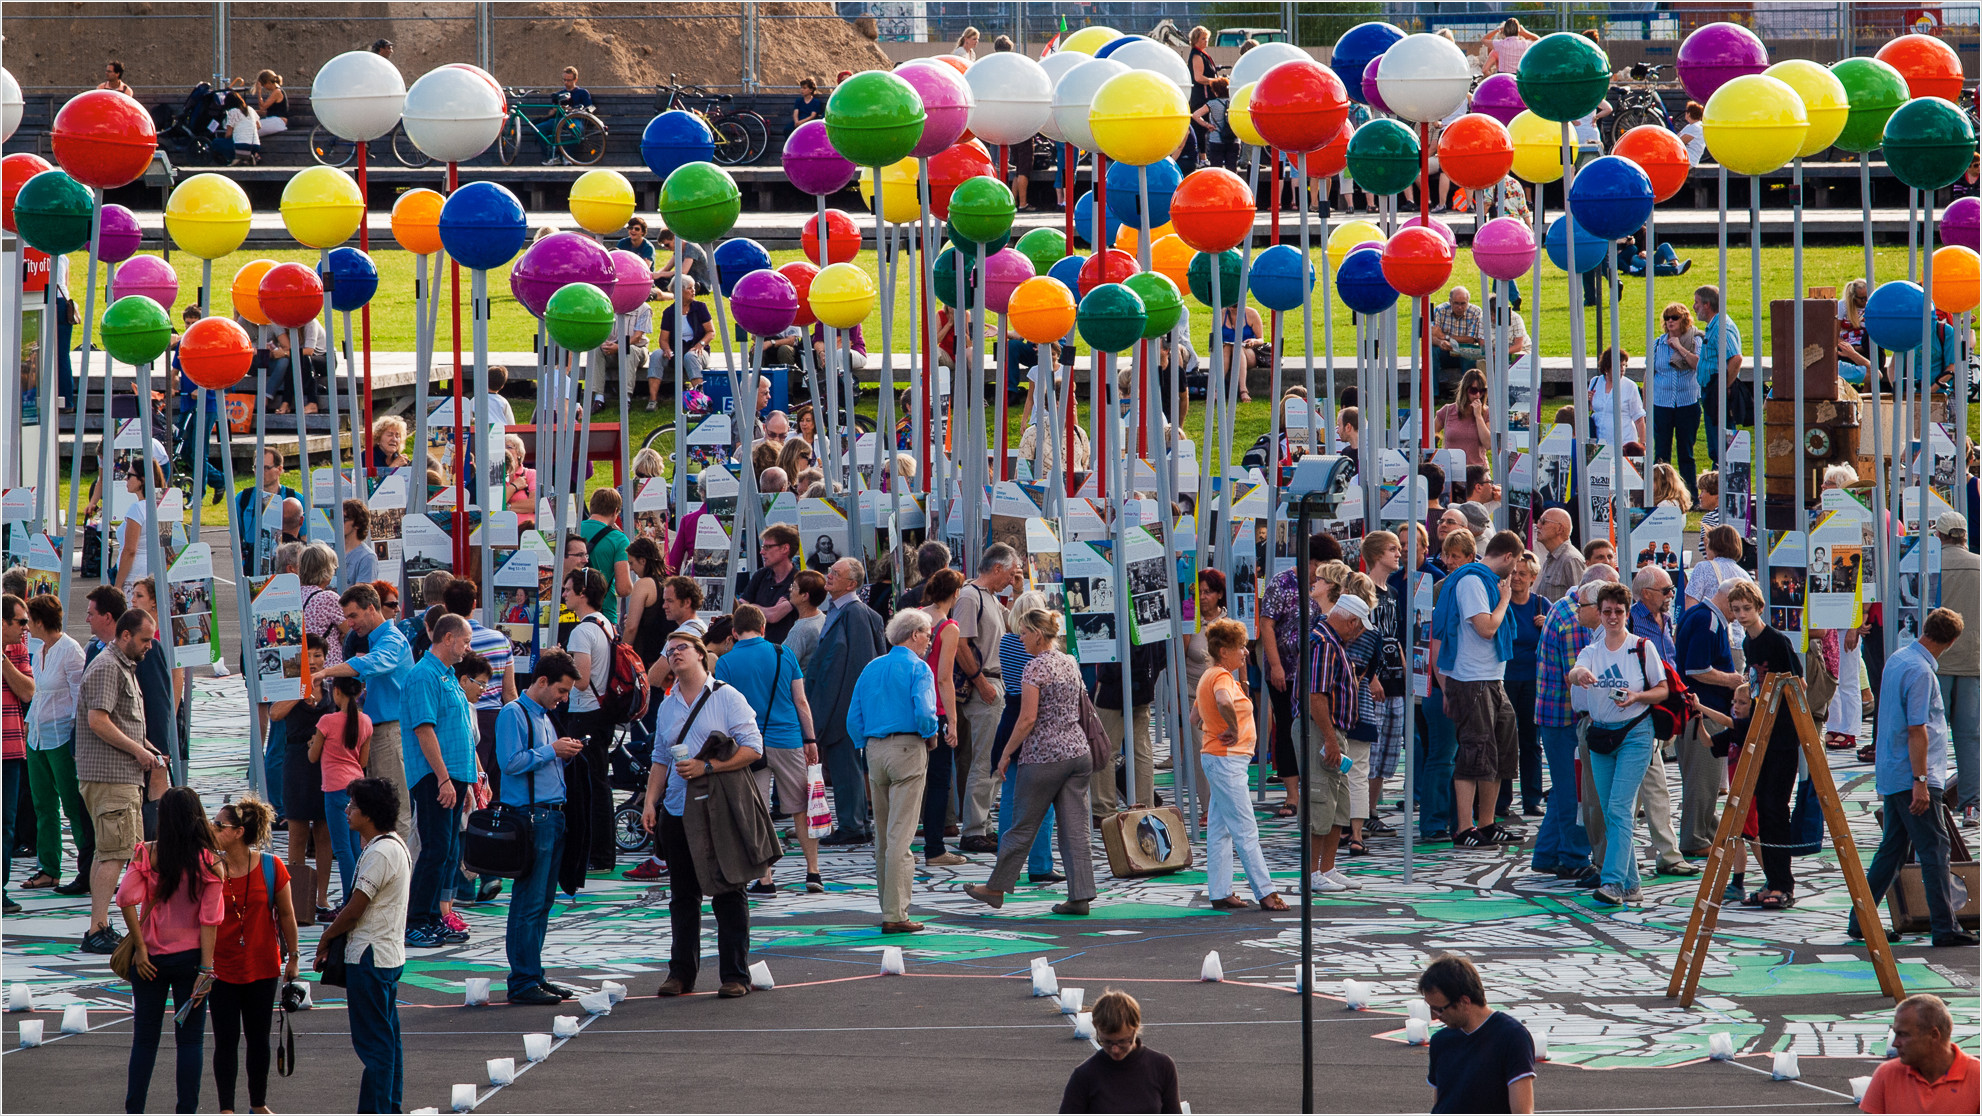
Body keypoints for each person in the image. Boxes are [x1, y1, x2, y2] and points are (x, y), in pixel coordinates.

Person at [644, 631, 773, 997]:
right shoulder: (668, 704)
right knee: (682, 895)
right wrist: (650, 801)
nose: (674, 655)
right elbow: (660, 758)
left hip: (716, 809)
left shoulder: (726, 697)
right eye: (669, 651)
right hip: (677, 809)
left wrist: (709, 768)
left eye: (681, 648)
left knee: (728, 890)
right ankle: (681, 974)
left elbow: (754, 748)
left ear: (702, 654)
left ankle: (735, 975)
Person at [1854, 608, 1977, 947]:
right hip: (1913, 775)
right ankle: (1944, 925)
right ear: (1951, 642)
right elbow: (1917, 729)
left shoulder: (1899, 659)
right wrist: (1920, 780)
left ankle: (1859, 920)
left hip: (1894, 771)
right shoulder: (1922, 672)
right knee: (1935, 847)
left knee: (1893, 849)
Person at [965, 608, 1097, 915]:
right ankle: (1080, 896)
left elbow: (1026, 719)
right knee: (1075, 829)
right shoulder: (1070, 661)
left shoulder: (1034, 668)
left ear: (1038, 635)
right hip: (1078, 753)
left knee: (1021, 826)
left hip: (1043, 756)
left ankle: (996, 888)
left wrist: (1006, 753)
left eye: (1023, 632)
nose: (1019, 638)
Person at [116, 785, 222, 1114]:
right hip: (191, 960)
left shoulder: (146, 853)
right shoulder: (209, 860)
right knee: (190, 1040)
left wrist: (142, 948)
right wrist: (206, 970)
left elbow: (125, 900)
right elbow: (210, 919)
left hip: (150, 958)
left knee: (144, 1039)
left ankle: (135, 1108)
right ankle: (186, 1109)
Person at [1566, 580, 1669, 906]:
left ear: (1627, 614)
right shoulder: (1592, 650)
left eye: (1618, 612)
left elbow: (1663, 689)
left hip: (1636, 733)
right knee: (1611, 812)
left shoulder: (1641, 647)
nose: (1612, 617)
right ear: (1599, 613)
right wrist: (1579, 675)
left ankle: (1611, 883)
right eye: (1607, 611)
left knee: (1620, 808)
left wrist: (1638, 696)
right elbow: (1575, 670)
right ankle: (1631, 884)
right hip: (1601, 736)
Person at [495, 651, 587, 1004]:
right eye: (561, 691)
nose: (563, 699)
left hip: (551, 815)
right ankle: (522, 980)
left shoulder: (544, 716)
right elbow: (510, 762)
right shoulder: (513, 713)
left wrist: (560, 751)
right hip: (532, 818)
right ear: (543, 681)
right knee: (529, 902)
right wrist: (552, 751)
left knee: (543, 901)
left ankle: (532, 974)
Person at [313, 778, 409, 1113]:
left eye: (353, 805)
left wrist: (326, 938)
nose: (347, 810)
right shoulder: (393, 845)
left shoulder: (380, 852)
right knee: (388, 1041)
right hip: (387, 955)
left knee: (375, 1046)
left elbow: (355, 908)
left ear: (368, 814)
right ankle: (389, 1107)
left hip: (370, 957)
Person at [715, 603, 822, 894]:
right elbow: (801, 701)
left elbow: (725, 709)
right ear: (763, 628)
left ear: (734, 633)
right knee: (801, 808)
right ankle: (813, 872)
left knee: (757, 811)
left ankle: (765, 878)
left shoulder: (725, 662)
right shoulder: (783, 653)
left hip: (750, 747)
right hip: (788, 739)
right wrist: (810, 740)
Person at [77, 609, 167, 954]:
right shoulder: (107, 666)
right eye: (145, 639)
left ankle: (99, 926)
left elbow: (120, 720)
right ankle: (97, 928)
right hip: (111, 776)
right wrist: (138, 751)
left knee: (110, 852)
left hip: (119, 774)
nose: (149, 646)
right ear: (125, 635)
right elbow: (98, 720)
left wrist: (147, 747)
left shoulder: (121, 665)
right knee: (115, 854)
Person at [846, 609, 939, 931]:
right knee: (902, 835)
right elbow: (926, 711)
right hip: (907, 746)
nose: (929, 639)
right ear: (914, 634)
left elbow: (853, 718)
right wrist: (931, 735)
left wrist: (866, 743)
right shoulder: (919, 667)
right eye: (927, 633)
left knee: (884, 834)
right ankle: (896, 913)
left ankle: (887, 906)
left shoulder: (872, 667)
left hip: (874, 748)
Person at [1431, 530, 1523, 848]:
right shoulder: (1472, 580)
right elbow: (1485, 628)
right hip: (1471, 680)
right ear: (1508, 557)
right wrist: (1506, 600)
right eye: (1515, 568)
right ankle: (1464, 826)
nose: (1514, 575)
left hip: (1493, 677)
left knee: (1499, 753)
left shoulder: (1485, 580)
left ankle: (1486, 822)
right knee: (1473, 752)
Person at [208, 796, 299, 1116]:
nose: (213, 827)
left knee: (258, 1038)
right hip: (221, 967)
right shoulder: (210, 867)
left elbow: (287, 915)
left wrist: (294, 958)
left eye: (220, 824)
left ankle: (258, 1104)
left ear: (239, 832)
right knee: (226, 1040)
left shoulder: (272, 866)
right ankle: (226, 1109)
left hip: (263, 965)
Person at [1193, 617, 1285, 910]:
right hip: (1227, 759)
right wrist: (1232, 727)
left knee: (1220, 829)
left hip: (1219, 758)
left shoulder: (1210, 676)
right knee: (1246, 828)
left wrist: (1216, 725)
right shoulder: (1220, 678)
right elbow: (1222, 702)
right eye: (1241, 647)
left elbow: (1195, 717)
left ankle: (1220, 891)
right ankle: (1266, 891)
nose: (1245, 652)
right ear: (1224, 651)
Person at [1723, 579, 1804, 910]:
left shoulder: (1775, 640)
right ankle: (1772, 879)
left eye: (1746, 608)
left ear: (1759, 608)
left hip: (1783, 735)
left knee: (1775, 808)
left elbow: (1799, 682)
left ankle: (1784, 883)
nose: (1741, 615)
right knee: (1763, 809)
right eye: (1736, 609)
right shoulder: (1749, 643)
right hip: (1762, 733)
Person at [400, 614, 478, 948]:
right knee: (434, 848)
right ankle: (417, 920)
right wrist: (444, 778)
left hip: (453, 777)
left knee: (446, 850)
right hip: (435, 777)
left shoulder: (446, 675)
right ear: (448, 638)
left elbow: (457, 730)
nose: (468, 647)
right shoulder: (424, 676)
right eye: (465, 640)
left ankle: (432, 917)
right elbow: (424, 730)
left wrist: (467, 782)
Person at [319, 584, 413, 849]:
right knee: (378, 806)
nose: (349, 624)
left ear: (371, 609)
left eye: (353, 616)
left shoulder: (392, 640)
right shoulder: (378, 639)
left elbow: (369, 664)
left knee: (395, 809)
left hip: (391, 732)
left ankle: (399, 874)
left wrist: (324, 672)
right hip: (381, 731)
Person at [807, 559, 887, 844]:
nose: (829, 576)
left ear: (851, 584)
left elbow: (860, 665)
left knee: (846, 767)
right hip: (840, 705)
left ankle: (853, 826)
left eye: (836, 574)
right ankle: (856, 823)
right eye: (830, 571)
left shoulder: (853, 613)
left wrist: (849, 711)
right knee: (846, 767)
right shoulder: (844, 611)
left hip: (844, 707)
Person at [1626, 567, 1698, 878]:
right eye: (1666, 590)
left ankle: (1664, 855)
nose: (1672, 595)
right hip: (1638, 712)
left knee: (1651, 788)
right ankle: (1658, 855)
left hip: (1661, 707)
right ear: (1646, 594)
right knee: (1643, 789)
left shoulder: (1665, 619)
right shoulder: (1630, 621)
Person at [22, 595, 92, 895]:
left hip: (61, 738)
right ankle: (49, 868)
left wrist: (78, 742)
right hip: (37, 736)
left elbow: (80, 698)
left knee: (73, 805)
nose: (25, 627)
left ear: (40, 622)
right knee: (43, 805)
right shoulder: (41, 651)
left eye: (28, 622)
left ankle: (87, 869)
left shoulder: (70, 651)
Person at [1306, 589, 1370, 890]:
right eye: (1359, 627)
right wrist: (1330, 739)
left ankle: (1327, 868)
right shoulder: (1324, 642)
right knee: (1322, 801)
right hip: (1323, 729)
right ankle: (1313, 872)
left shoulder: (1330, 640)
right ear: (1352, 622)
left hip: (1333, 730)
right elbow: (1316, 696)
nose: (1358, 634)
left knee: (1338, 802)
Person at [1675, 582, 1743, 858]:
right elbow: (1697, 668)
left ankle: (1707, 828)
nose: (1738, 614)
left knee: (1706, 778)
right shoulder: (1708, 620)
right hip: (1702, 711)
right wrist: (1732, 679)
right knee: (1703, 779)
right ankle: (1694, 837)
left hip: (1699, 710)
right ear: (1728, 600)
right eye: (1738, 607)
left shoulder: (1700, 614)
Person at [1419, 955, 1537, 1114]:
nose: (1434, 1017)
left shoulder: (1512, 1037)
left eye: (1439, 1009)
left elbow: (1522, 1112)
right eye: (1431, 1008)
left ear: (1464, 1002)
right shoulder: (1440, 1041)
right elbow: (1441, 1104)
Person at [562, 568, 619, 872]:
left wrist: (561, 662)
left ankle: (598, 854)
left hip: (586, 713)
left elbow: (581, 680)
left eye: (568, 590)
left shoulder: (582, 630)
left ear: (582, 593)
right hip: (602, 711)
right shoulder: (605, 623)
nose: (564, 595)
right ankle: (601, 852)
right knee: (598, 782)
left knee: (590, 785)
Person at [276, 635, 334, 920]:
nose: (313, 661)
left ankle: (321, 897)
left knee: (325, 833)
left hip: (327, 764)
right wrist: (301, 690)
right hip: (297, 762)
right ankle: (297, 898)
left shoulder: (334, 689)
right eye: (308, 656)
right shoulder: (291, 686)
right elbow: (275, 714)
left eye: (318, 655)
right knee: (297, 832)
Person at [1059, 989, 1182, 1114]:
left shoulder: (1162, 1067)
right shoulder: (1084, 1076)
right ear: (1096, 1028)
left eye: (1122, 1041)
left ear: (1135, 1029)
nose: (1115, 1050)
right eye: (1107, 1042)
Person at [1931, 513, 1978, 824]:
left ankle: (1933, 799)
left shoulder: (1930, 565)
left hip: (1938, 660)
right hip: (1974, 660)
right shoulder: (1979, 564)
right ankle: (1972, 804)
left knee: (1932, 732)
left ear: (1940, 536)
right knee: (1969, 735)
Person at [1860, 994, 1979, 1113]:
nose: (1895, 1043)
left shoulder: (1977, 1077)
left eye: (1903, 1034)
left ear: (1933, 1035)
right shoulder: (1886, 1075)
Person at [1496, 553, 1546, 820]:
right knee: (1504, 741)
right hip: (1504, 678)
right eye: (1513, 572)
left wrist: (1546, 625)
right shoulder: (1501, 603)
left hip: (1532, 681)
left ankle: (1532, 798)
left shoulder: (1540, 605)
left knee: (1530, 741)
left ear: (1533, 578)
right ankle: (1502, 800)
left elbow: (1557, 637)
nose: (1516, 578)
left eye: (1522, 574)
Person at [1650, 301, 1703, 496]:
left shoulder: (1694, 341)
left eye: (1674, 317)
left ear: (1684, 320)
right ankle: (1660, 493)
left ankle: (1690, 495)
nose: (1670, 321)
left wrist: (1679, 347)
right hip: (1662, 404)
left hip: (1687, 403)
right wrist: (1647, 405)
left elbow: (1698, 364)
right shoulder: (1657, 344)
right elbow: (1650, 374)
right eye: (1667, 318)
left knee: (1685, 453)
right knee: (1661, 453)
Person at [2, 595, 32, 912]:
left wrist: (2, 659)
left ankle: (1, 889)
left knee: (6, 824)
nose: (26, 627)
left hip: (9, 753)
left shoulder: (18, 651)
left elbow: (27, 691)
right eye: (21, 621)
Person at [1693, 285, 1742, 466]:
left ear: (1707, 305)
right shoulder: (1714, 326)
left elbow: (1736, 358)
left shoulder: (1722, 328)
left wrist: (1723, 388)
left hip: (1716, 390)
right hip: (1712, 390)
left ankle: (1723, 487)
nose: (1694, 307)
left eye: (1697, 302)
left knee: (1723, 446)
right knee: (1717, 446)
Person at [652, 278, 713, 409]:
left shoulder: (700, 308)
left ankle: (700, 400)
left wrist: (700, 344)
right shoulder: (669, 312)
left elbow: (711, 332)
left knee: (690, 356)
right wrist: (667, 349)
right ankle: (652, 400)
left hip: (697, 351)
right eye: (690, 288)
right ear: (680, 291)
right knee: (656, 355)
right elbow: (663, 339)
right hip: (676, 351)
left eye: (694, 287)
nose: (694, 291)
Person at [578, 487, 634, 624]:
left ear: (591, 507)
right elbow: (624, 589)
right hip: (604, 613)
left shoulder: (573, 529)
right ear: (615, 511)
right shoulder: (619, 539)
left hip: (573, 610)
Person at [590, 290, 651, 413]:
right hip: (611, 349)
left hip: (637, 349)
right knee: (595, 349)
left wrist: (619, 347)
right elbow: (597, 330)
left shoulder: (644, 308)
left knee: (630, 350)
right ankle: (599, 399)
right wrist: (603, 344)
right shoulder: (606, 306)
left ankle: (626, 399)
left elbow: (637, 337)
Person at [741, 523, 803, 643]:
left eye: (767, 547)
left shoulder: (798, 581)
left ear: (785, 548)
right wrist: (754, 608)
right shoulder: (761, 575)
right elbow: (741, 609)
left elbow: (774, 616)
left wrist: (752, 606)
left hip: (782, 650)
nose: (762, 552)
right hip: (757, 647)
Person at [1434, 367, 1492, 470]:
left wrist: (1478, 416)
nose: (1478, 395)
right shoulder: (1447, 411)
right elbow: (1429, 436)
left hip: (1477, 471)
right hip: (1451, 470)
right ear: (1465, 390)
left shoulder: (1486, 413)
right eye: (1473, 390)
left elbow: (1488, 444)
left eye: (1482, 391)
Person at [1587, 348, 1646, 448]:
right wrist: (1587, 401)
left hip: (1624, 442)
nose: (1622, 369)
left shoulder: (1630, 386)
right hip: (1599, 442)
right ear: (1607, 367)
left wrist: (1643, 444)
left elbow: (1639, 418)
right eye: (1619, 366)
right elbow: (1590, 409)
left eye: (1624, 365)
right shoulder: (1595, 382)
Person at [1430, 288, 1487, 383]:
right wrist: (1440, 342)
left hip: (1464, 351)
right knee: (1432, 350)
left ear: (1468, 301)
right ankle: (1434, 392)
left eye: (1463, 303)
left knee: (1468, 351)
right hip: (1444, 351)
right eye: (1456, 303)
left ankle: (1466, 390)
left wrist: (1445, 337)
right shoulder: (1440, 310)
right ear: (1450, 301)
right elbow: (1431, 336)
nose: (1459, 307)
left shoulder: (1475, 312)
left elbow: (1470, 340)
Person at [1533, 509, 1584, 603]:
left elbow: (1580, 603)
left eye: (1543, 522)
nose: (1537, 525)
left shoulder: (1571, 559)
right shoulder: (1552, 557)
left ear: (1560, 529)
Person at [784, 569, 829, 672]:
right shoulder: (823, 618)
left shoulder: (800, 630)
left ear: (805, 596)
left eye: (794, 587)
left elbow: (785, 666)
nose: (790, 589)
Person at [254, 69, 289, 136]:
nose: (264, 87)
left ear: (268, 82)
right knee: (249, 128)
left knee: (251, 129)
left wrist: (259, 91)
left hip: (278, 121)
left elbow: (263, 107)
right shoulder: (275, 92)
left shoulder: (277, 92)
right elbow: (265, 110)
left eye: (263, 85)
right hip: (274, 120)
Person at [1677, 101, 1706, 165]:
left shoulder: (1696, 127)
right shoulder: (1690, 126)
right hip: (1683, 156)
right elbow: (1675, 137)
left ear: (1689, 114)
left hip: (1689, 159)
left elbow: (1679, 142)